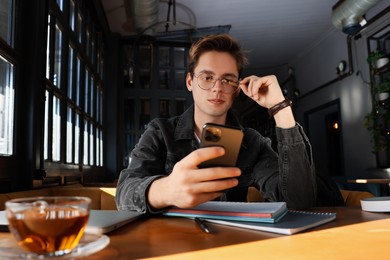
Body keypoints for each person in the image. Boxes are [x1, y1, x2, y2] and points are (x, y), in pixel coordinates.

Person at [116, 34, 317, 214]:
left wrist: (280, 108)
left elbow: (299, 202)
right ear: (189, 82)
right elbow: (123, 195)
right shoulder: (160, 132)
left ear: (237, 89)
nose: (217, 88)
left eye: (228, 80)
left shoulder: (251, 142)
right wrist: (166, 190)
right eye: (207, 77)